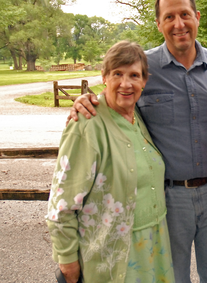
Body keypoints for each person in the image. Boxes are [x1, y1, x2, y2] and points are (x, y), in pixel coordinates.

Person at [68, 0, 207, 283]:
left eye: (184, 14)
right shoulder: (145, 67)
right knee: (172, 276)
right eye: (169, 16)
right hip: (169, 197)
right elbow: (116, 91)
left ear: (197, 17)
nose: (178, 24)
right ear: (159, 24)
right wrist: (86, 100)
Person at [46, 41, 175, 283]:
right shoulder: (86, 124)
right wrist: (67, 260)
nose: (126, 84)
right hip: (113, 256)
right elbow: (61, 204)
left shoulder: (136, 116)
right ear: (104, 77)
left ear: (144, 81)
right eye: (117, 74)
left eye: (134, 75)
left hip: (152, 246)